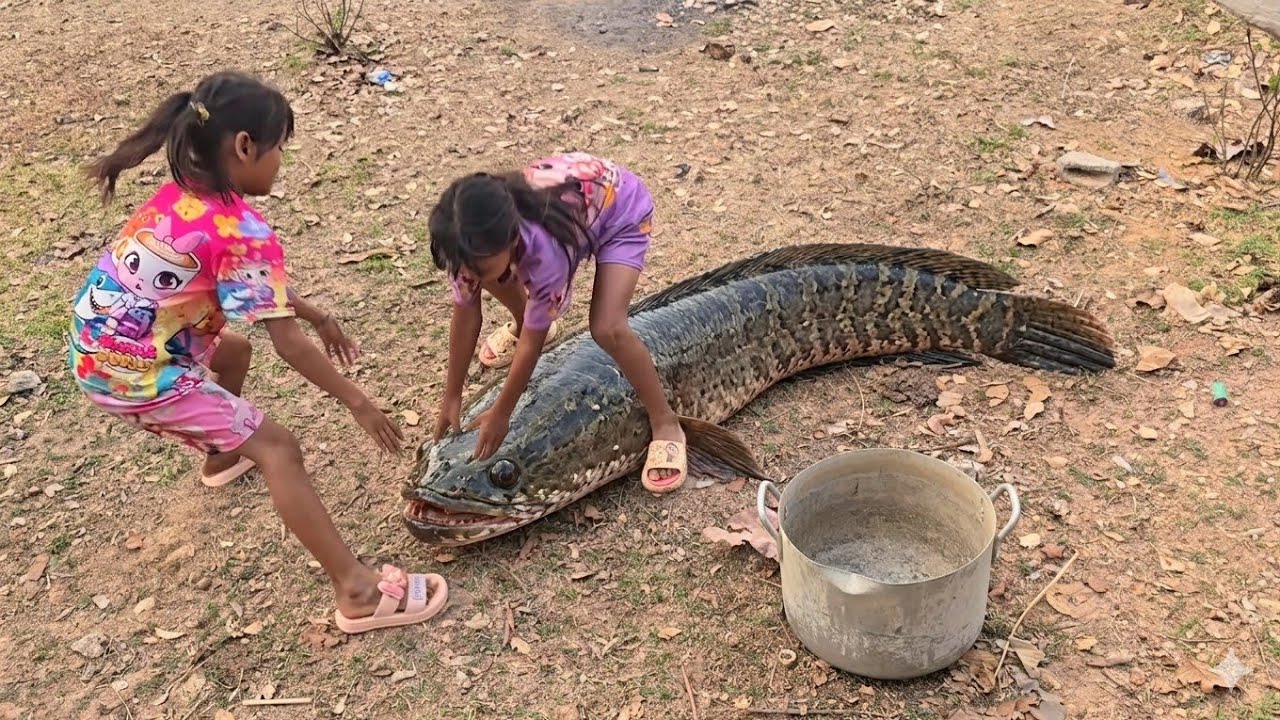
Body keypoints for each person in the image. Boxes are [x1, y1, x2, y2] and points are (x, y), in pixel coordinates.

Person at [69, 70, 447, 634]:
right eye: (279, 149)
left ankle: (222, 457)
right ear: (245, 146)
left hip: (95, 345)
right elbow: (288, 345)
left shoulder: (180, 197)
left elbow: (251, 289)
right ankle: (357, 591)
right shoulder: (242, 230)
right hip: (136, 374)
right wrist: (357, 400)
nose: (280, 162)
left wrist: (316, 313)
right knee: (279, 449)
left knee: (234, 352)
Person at [428, 153, 688, 493]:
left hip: (621, 212)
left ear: (511, 239)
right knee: (485, 277)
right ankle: (525, 316)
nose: (467, 274)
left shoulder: (545, 254)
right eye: (463, 266)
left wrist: (502, 413)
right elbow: (465, 313)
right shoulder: (465, 242)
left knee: (607, 328)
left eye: (479, 266)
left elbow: (532, 346)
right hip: (572, 209)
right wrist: (452, 395)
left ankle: (665, 420)